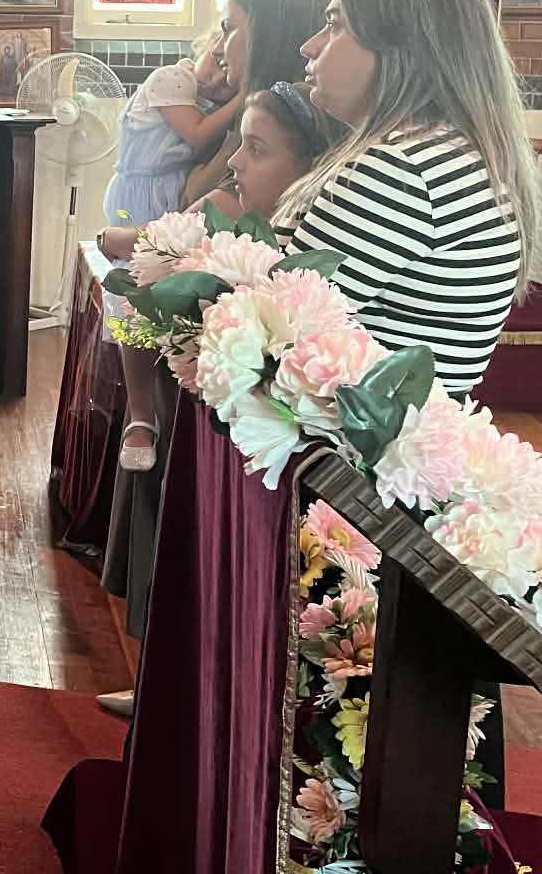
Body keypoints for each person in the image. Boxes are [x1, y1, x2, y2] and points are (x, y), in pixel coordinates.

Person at [91, 82, 336, 718]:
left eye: (257, 149)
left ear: (308, 166)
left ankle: (189, 698)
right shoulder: (238, 218)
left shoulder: (294, 255)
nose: (236, 162)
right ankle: (167, 685)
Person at [285, 0, 540, 400]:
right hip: (413, 426)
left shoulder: (399, 169)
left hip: (357, 434)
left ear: (400, 48)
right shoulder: (451, 151)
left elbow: (276, 322)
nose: (309, 46)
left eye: (335, 24)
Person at [99, 31, 241, 473]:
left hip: (174, 193)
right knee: (136, 279)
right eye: (215, 59)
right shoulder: (171, 79)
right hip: (141, 191)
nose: (217, 77)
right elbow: (195, 137)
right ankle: (141, 415)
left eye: (228, 73)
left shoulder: (212, 102)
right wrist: (244, 96)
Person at [180, 0, 334, 208]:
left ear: (268, 37)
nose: (217, 49)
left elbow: (194, 204)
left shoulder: (279, 119)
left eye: (228, 29)